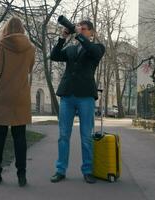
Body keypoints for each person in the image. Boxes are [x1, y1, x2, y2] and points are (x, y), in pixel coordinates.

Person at [0, 16, 35, 187]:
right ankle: (22, 175)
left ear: (6, 28)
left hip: (2, 96)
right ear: (22, 29)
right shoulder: (31, 48)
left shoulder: (2, 45)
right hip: (21, 96)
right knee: (20, 138)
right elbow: (30, 69)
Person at [49, 19, 105, 184]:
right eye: (79, 28)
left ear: (92, 33)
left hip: (86, 97)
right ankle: (60, 170)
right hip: (67, 96)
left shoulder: (97, 48)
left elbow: (92, 51)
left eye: (84, 28)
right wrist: (63, 38)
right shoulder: (71, 49)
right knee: (63, 136)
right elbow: (54, 56)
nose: (81, 30)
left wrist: (79, 34)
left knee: (86, 136)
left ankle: (88, 170)